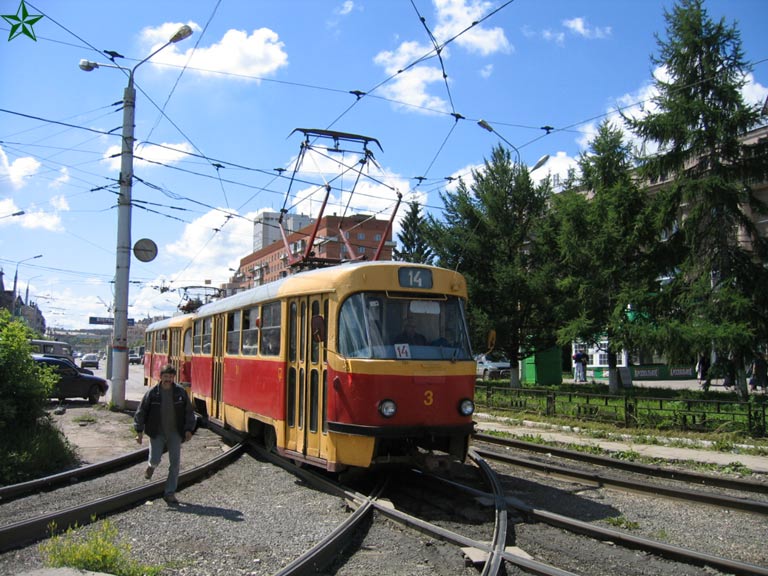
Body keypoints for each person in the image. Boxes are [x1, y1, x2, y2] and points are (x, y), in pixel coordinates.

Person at [134, 364, 196, 505]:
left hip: (175, 433)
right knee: (155, 459)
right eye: (166, 376)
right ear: (161, 377)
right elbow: (141, 412)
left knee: (175, 464)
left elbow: (189, 412)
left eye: (171, 377)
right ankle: (151, 466)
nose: (168, 379)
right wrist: (139, 431)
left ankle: (169, 493)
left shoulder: (180, 392)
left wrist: (188, 429)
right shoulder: (152, 393)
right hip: (157, 432)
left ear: (174, 378)